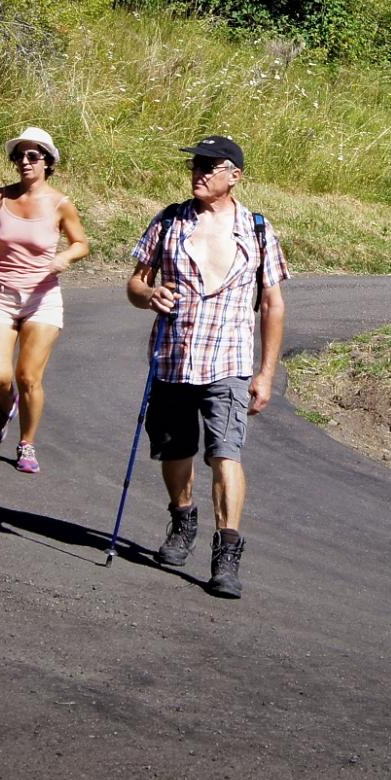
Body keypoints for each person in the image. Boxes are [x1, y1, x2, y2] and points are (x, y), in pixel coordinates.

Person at [126, 135, 288, 600]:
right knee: (174, 452)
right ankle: (183, 518)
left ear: (234, 176)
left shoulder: (257, 229)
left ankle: (227, 552)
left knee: (226, 454)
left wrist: (266, 373)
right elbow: (136, 284)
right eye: (195, 164)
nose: (198, 172)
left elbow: (273, 305)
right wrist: (147, 295)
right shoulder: (169, 222)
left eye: (209, 166)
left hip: (230, 362)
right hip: (174, 357)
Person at [0, 127, 89, 474]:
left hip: (42, 298)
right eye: (19, 156)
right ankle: (6, 404)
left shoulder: (61, 204)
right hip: (0, 294)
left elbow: (81, 243)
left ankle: (26, 443)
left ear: (48, 162)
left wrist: (65, 258)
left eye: (33, 156)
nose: (25, 162)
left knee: (28, 375)